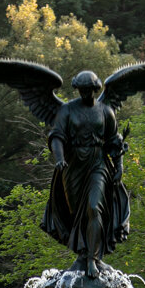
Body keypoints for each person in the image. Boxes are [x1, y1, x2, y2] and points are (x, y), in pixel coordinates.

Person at [41, 70, 130, 277]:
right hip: (72, 167)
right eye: (80, 90)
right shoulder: (67, 110)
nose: (83, 94)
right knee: (75, 215)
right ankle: (83, 254)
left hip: (98, 164)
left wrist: (119, 167)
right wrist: (60, 158)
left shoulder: (105, 111)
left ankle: (92, 259)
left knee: (93, 207)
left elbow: (114, 142)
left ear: (95, 89)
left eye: (87, 90)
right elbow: (56, 136)